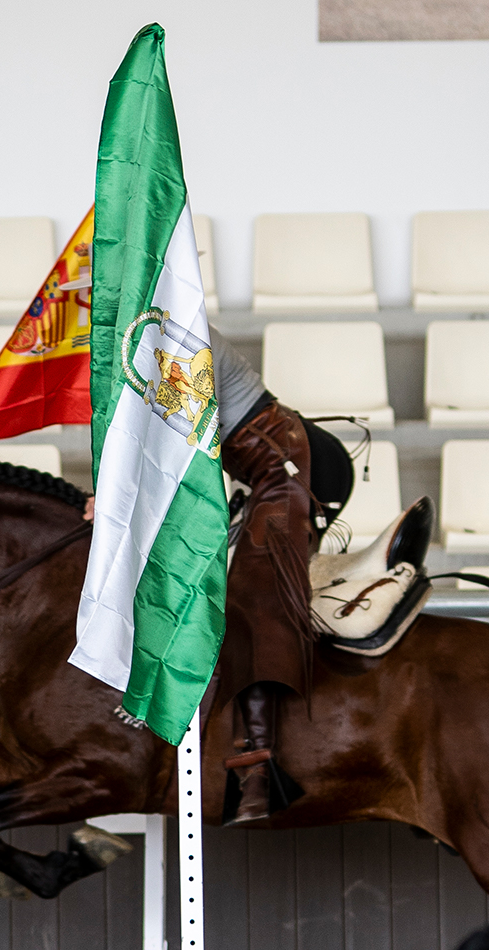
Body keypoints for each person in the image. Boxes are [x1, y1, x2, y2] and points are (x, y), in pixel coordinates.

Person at [84, 325, 351, 824]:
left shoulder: (178, 327)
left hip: (290, 469)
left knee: (256, 600)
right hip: (263, 468)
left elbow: (180, 445)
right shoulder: (140, 336)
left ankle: (259, 767)